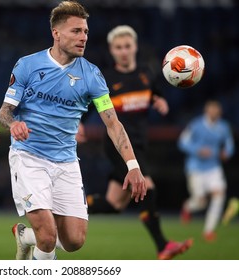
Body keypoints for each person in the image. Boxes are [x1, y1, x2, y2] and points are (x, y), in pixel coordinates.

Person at [0, 1, 146, 260]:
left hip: (66, 162)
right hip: (29, 157)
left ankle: (25, 237)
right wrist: (14, 124)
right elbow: (4, 113)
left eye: (85, 31)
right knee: (47, 236)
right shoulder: (27, 65)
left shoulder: (92, 75)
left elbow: (113, 123)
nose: (83, 37)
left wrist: (133, 166)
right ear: (56, 33)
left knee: (74, 241)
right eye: (76, 31)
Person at [81, 25, 193, 260]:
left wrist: (159, 100)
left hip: (140, 144)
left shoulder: (146, 73)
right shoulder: (106, 80)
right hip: (118, 146)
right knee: (147, 187)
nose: (123, 51)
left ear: (135, 47)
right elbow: (87, 106)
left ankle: (71, 205)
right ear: (112, 51)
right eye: (118, 47)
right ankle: (163, 246)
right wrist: (78, 123)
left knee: (114, 205)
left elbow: (154, 92)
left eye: (127, 46)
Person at [178, 100, 235, 241]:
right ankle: (188, 207)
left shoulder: (224, 127)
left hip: (214, 167)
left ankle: (208, 231)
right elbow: (182, 142)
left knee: (219, 195)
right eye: (211, 109)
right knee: (200, 202)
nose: (214, 112)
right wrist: (198, 150)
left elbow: (229, 145)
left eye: (216, 110)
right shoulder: (196, 125)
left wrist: (226, 153)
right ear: (206, 111)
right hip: (195, 167)